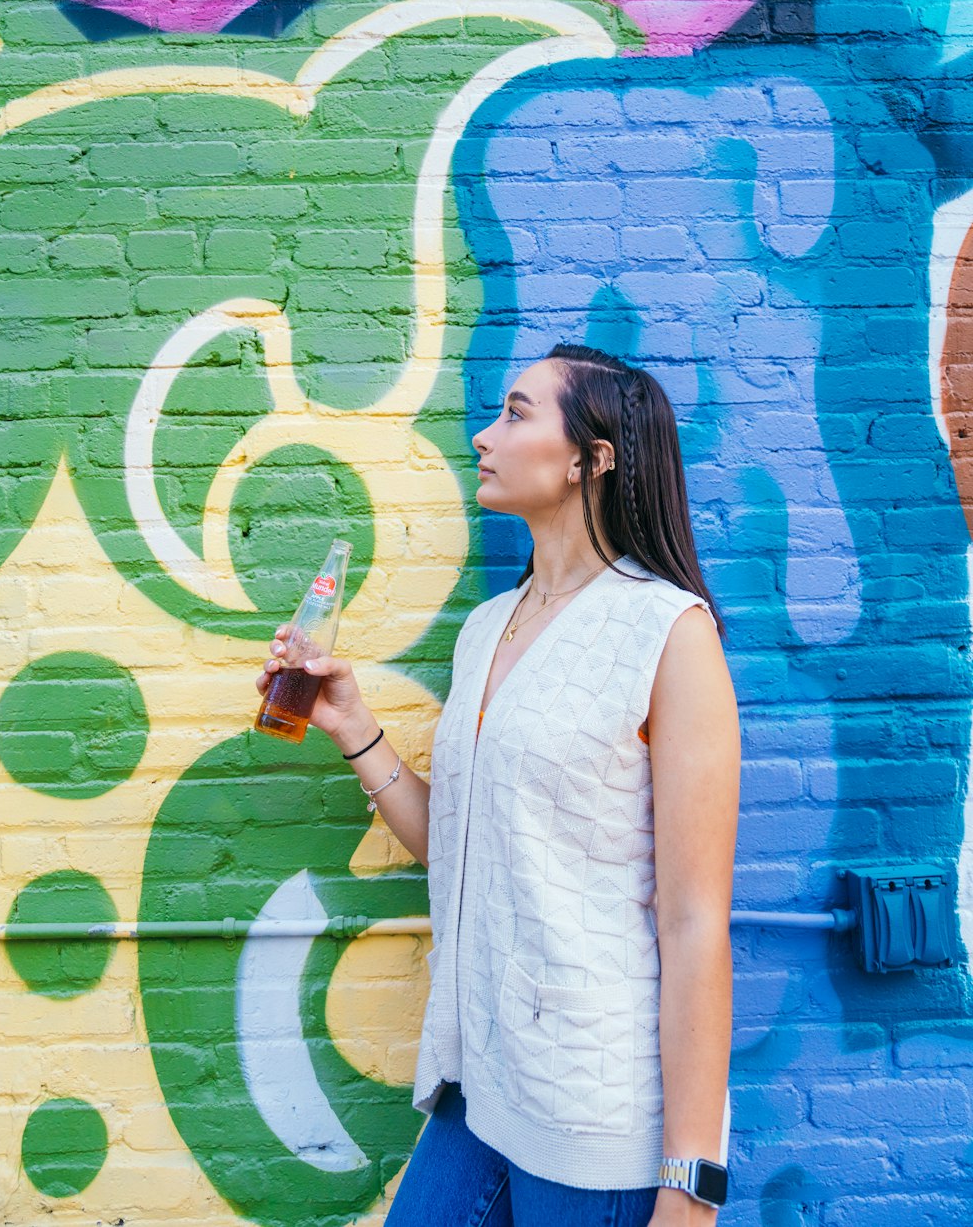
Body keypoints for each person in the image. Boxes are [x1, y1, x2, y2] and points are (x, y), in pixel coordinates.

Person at [256, 344, 741, 1226]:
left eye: (517, 414)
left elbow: (696, 921)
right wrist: (351, 725)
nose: (485, 434)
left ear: (591, 461)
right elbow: (466, 847)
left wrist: (692, 1180)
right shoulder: (487, 628)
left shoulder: (668, 633)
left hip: (594, 1117)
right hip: (478, 1083)